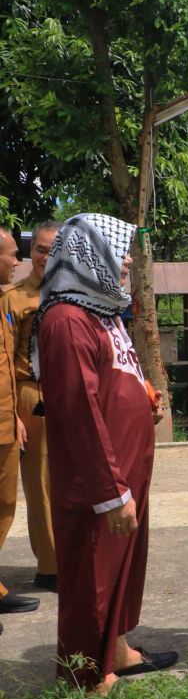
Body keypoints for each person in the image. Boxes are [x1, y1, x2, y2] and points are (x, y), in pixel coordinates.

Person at [34, 213, 176, 693]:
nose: (130, 259)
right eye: (121, 249)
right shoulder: (67, 320)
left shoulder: (102, 311)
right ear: (90, 253)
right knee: (91, 577)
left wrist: (143, 399)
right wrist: (111, 492)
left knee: (121, 568)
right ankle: (84, 681)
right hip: (101, 480)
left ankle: (115, 651)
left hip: (127, 463)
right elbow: (78, 412)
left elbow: (113, 380)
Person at [2, 221, 61, 592]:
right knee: (40, 482)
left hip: (73, 395)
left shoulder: (78, 295)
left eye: (55, 250)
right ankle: (52, 566)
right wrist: (11, 413)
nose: (46, 257)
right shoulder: (15, 298)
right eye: (40, 249)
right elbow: (5, 360)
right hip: (32, 393)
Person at [0, 226, 34, 618]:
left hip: (6, 423)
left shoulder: (4, 301)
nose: (16, 262)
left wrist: (13, 415)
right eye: (11, 254)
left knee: (5, 507)